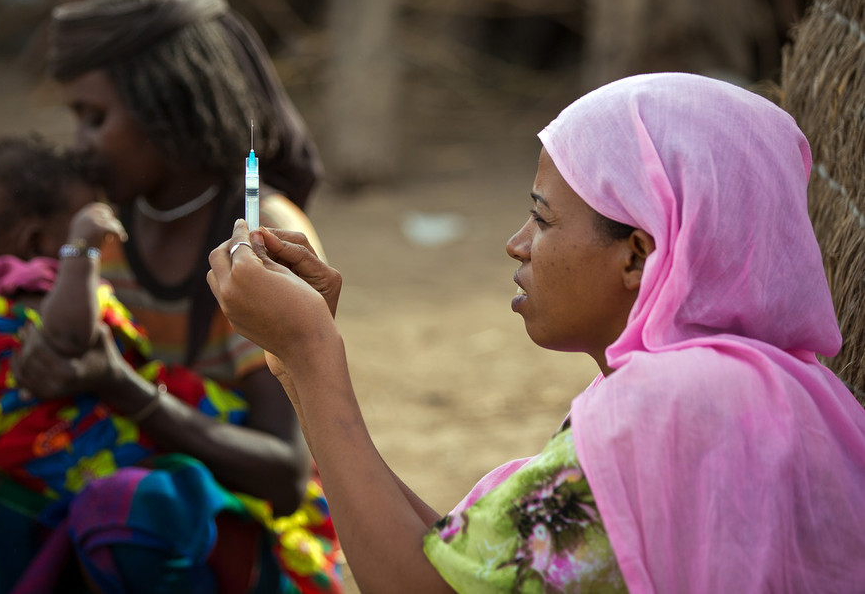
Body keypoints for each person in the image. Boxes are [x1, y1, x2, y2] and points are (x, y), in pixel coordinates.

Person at [207, 72, 865, 593]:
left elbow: (422, 586)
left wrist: (314, 353)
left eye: (543, 220)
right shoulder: (787, 396)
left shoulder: (664, 409)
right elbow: (463, 559)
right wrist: (298, 368)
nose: (517, 245)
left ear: (637, 254)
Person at [0, 0, 341, 594]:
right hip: (111, 498)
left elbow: (283, 471)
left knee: (127, 509)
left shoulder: (256, 238)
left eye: (95, 117)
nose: (80, 143)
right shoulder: (93, 230)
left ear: (167, 107)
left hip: (244, 535)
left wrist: (120, 385)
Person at [0, 134, 248, 503]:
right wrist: (81, 249)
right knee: (201, 407)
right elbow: (69, 337)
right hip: (56, 445)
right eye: (81, 218)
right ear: (35, 241)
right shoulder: (32, 281)